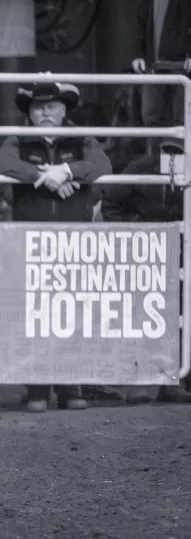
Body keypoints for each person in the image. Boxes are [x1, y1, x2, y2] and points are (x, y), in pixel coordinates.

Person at [0, 83, 112, 413]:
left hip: (73, 238)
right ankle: (37, 389)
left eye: (52, 107)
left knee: (71, 313)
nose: (45, 113)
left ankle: (70, 386)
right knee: (34, 313)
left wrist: (68, 170)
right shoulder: (18, 139)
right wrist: (44, 177)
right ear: (30, 114)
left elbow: (102, 166)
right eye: (38, 108)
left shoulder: (83, 139)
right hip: (32, 238)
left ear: (64, 111)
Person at [100, 138, 191, 403]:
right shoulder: (140, 168)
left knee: (181, 313)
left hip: (183, 248)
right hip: (146, 251)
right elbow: (110, 201)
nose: (171, 155)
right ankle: (138, 381)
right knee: (142, 316)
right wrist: (130, 235)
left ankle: (170, 382)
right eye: (168, 150)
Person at [131, 0, 191, 129]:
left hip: (181, 65)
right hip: (153, 64)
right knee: (151, 118)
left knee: (181, 119)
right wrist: (138, 53)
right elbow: (140, 22)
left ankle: (181, 161)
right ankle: (155, 160)